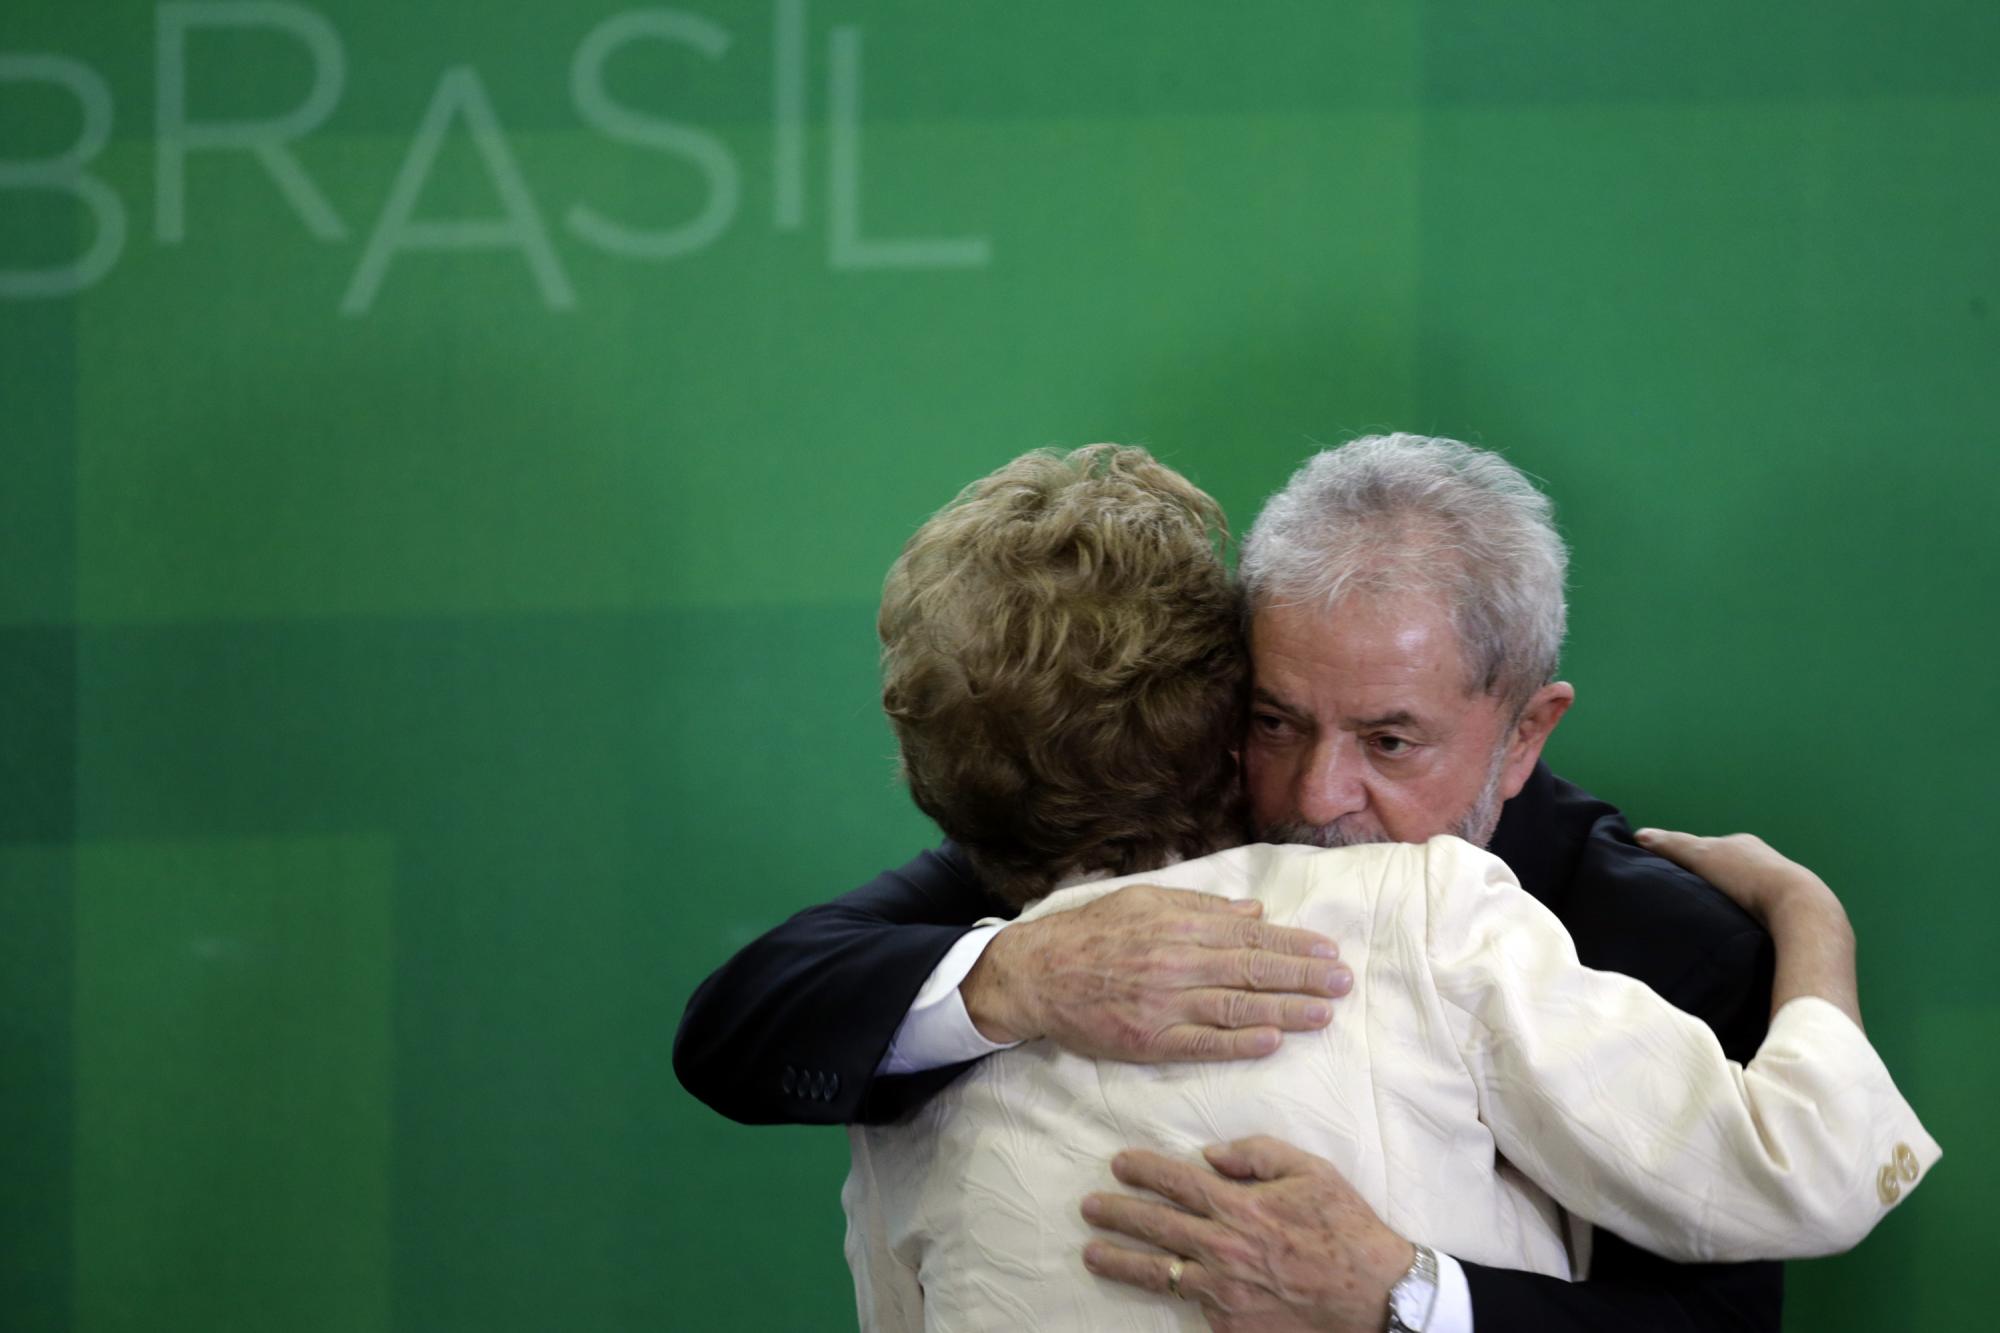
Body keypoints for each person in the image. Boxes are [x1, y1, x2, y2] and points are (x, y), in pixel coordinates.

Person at [671, 433, 1829, 1329]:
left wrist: (1405, 1294)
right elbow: (742, 1025)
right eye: (1276, 719)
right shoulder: (1145, 831)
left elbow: (1712, 1324)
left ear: (1523, 732)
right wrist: (1013, 978)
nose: (1316, 793)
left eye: (1388, 742)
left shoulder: (1661, 945)